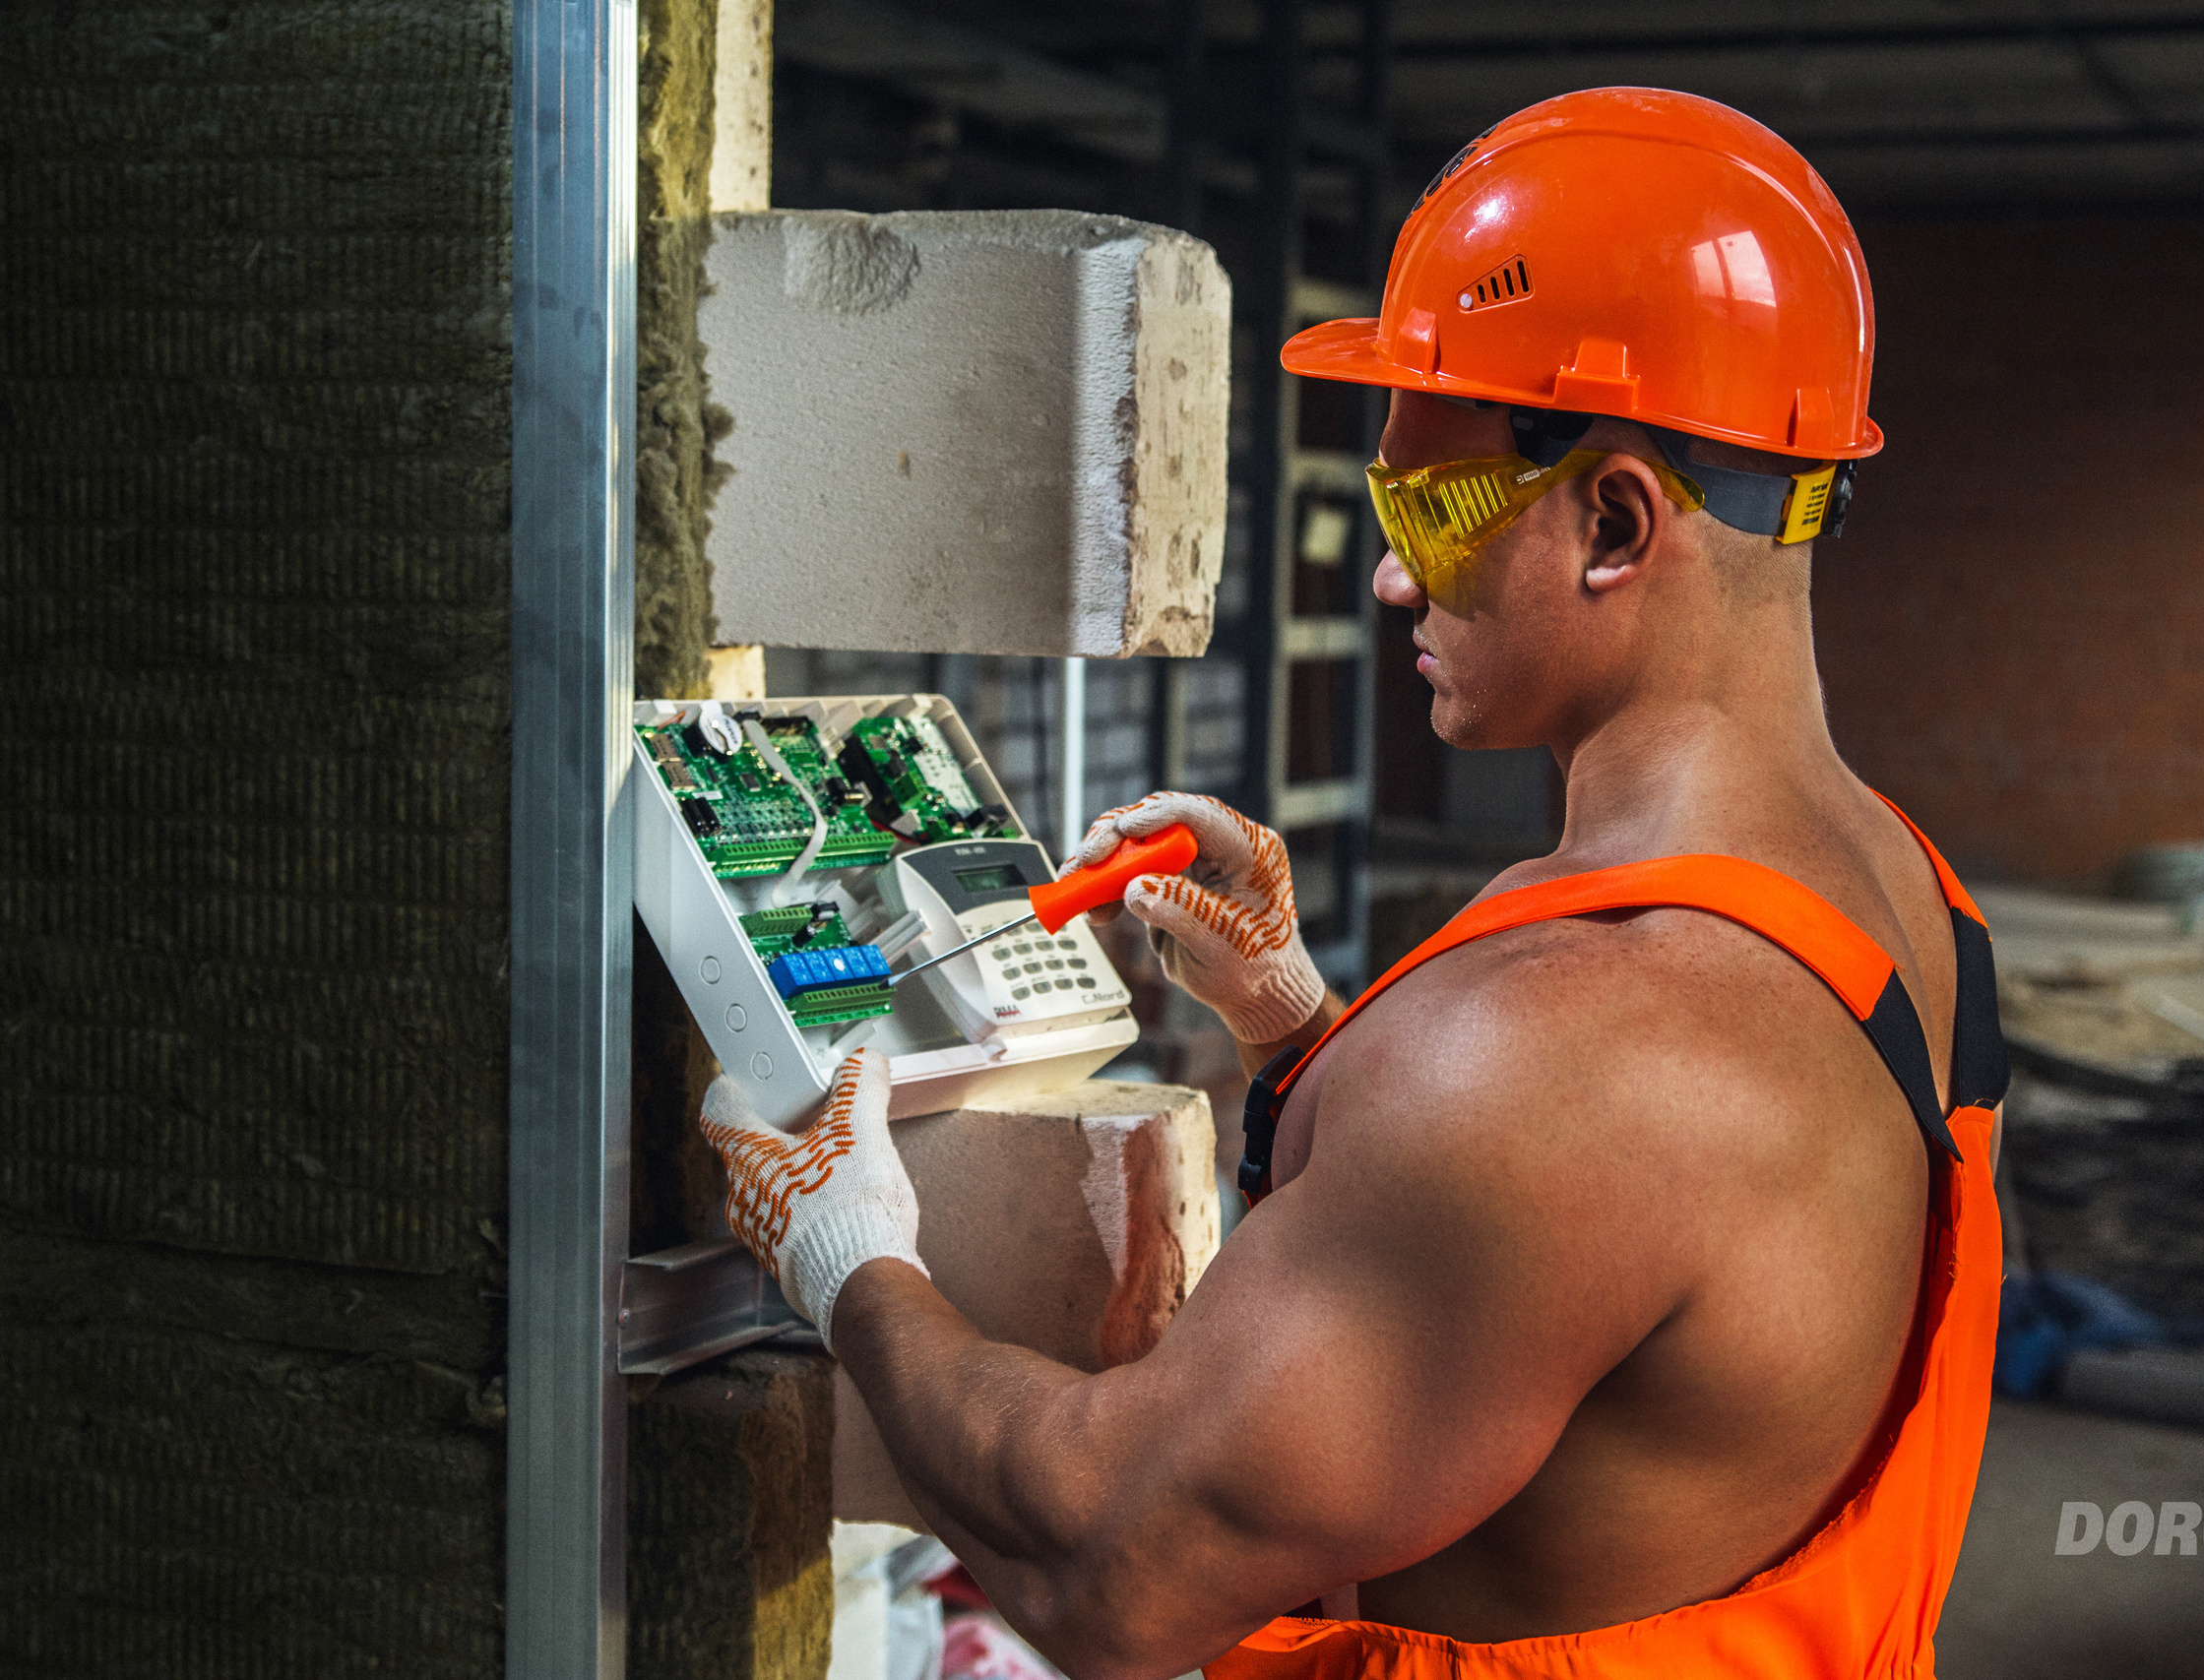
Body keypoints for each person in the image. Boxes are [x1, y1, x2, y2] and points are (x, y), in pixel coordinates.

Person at [701, 88, 2008, 1680]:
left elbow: (1112, 1560)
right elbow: (1616, 1296)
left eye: (1429, 503)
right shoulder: (1914, 907)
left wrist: (851, 1259)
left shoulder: (1567, 1052)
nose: (1389, 570)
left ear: (1616, 520)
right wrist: (1296, 1023)